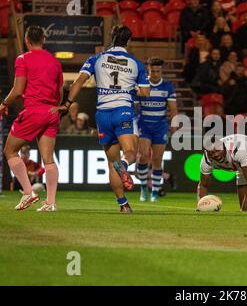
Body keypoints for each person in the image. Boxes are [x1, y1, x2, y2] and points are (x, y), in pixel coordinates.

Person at [52, 26, 150, 213]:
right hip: (123, 110)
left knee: (110, 162)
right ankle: (124, 165)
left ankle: (123, 204)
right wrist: (130, 89)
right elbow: (145, 92)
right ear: (128, 41)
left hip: (103, 115)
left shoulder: (96, 59)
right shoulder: (136, 63)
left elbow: (78, 82)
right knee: (129, 153)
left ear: (111, 39)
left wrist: (67, 104)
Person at [0, 25, 62, 211]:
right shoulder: (54, 61)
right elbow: (60, 91)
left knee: (9, 151)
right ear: (43, 40)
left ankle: (28, 192)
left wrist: (4, 103)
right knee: (48, 159)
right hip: (52, 112)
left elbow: (18, 90)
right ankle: (50, 203)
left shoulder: (23, 59)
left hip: (34, 111)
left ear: (26, 41)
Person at [135, 58, 177, 202]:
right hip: (144, 125)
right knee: (143, 157)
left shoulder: (167, 87)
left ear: (161, 71)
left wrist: (174, 123)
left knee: (157, 160)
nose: (155, 74)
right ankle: (143, 188)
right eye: (153, 71)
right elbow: (134, 106)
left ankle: (155, 191)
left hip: (160, 126)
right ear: (148, 70)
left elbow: (173, 109)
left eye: (158, 71)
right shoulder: (142, 85)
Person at [198, 134, 247, 212]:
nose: (216, 155)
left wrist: (245, 209)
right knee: (244, 205)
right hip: (241, 164)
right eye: (211, 153)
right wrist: (201, 205)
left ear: (223, 145)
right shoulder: (206, 160)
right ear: (207, 153)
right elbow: (203, 185)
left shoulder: (238, 148)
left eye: (218, 150)